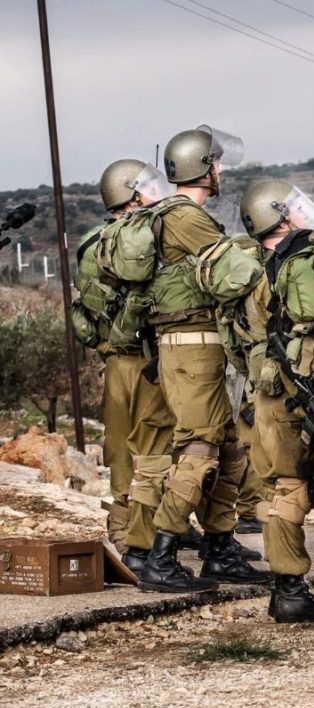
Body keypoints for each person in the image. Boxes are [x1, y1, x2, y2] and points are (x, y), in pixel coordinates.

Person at [136, 126, 270, 593]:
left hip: (198, 346)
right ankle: (162, 556)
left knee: (230, 451)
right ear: (201, 167)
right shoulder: (184, 217)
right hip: (190, 347)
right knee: (200, 449)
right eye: (214, 164)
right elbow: (235, 273)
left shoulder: (173, 215)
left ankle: (219, 549)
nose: (219, 171)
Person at [235, 178, 314, 622]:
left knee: (283, 487)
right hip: (307, 389)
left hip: (265, 394)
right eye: (295, 207)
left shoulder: (253, 266)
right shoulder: (301, 262)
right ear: (281, 215)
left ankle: (288, 589)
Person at [69, 159, 175, 555]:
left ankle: (129, 531)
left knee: (122, 449)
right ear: (130, 196)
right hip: (142, 358)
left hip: (115, 358)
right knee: (149, 448)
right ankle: (138, 538)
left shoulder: (92, 241)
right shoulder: (134, 241)